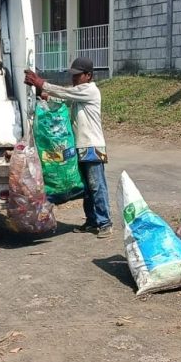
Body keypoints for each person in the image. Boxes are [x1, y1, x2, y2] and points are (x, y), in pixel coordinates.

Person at [25, 57, 113, 238]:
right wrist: (46, 95)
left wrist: (41, 83)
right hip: (80, 147)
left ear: (88, 76)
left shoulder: (89, 90)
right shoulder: (79, 94)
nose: (74, 79)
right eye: (73, 75)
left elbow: (65, 93)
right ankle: (92, 221)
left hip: (92, 146)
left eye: (77, 75)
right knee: (86, 188)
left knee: (97, 185)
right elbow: (63, 99)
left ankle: (105, 222)